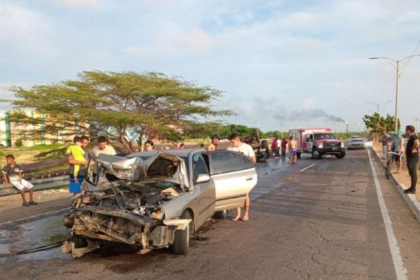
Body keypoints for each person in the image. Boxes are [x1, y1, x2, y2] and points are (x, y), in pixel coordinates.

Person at [227, 133, 256, 222]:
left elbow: (253, 159)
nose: (231, 144)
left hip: (245, 174)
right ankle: (238, 214)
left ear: (237, 140)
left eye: (232, 142)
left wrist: (248, 167)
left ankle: (246, 213)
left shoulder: (247, 147)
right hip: (234, 175)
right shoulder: (229, 149)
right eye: (230, 142)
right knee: (236, 194)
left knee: (245, 194)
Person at [404, 125, 419, 194]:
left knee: (413, 172)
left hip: (413, 157)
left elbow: (417, 143)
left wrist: (412, 149)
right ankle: (412, 187)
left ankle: (413, 189)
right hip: (410, 157)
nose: (405, 131)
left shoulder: (413, 136)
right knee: (411, 172)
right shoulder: (411, 137)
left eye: (406, 130)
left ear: (409, 130)